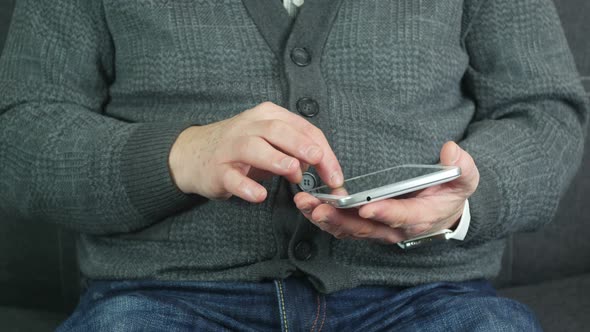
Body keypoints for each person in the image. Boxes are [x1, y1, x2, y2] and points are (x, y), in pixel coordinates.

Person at [0, 0, 587, 330]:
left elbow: (543, 110)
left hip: (427, 299)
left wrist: (463, 205)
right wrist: (179, 156)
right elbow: (22, 133)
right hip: (164, 300)